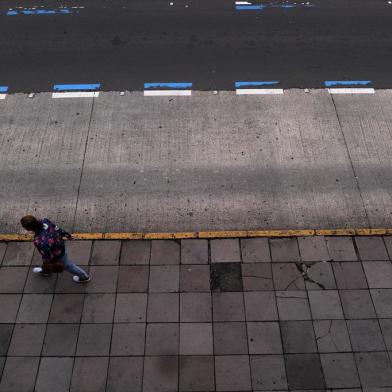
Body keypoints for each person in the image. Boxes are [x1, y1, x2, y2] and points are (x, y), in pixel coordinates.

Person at [20, 215, 90, 283]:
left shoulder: (39, 241)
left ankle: (84, 277)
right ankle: (46, 271)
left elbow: (47, 255)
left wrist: (48, 263)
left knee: (68, 265)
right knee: (54, 263)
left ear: (28, 229)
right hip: (60, 246)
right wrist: (67, 235)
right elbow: (57, 229)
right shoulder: (45, 221)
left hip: (57, 254)